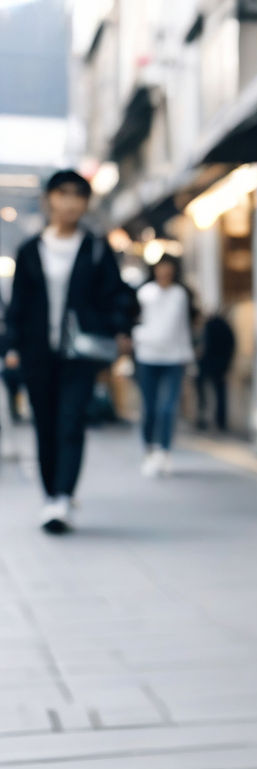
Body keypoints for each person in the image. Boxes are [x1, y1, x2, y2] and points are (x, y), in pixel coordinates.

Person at [2, 170, 134, 533]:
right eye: (63, 193)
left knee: (72, 422)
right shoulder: (30, 250)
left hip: (81, 353)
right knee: (45, 425)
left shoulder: (95, 247)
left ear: (86, 203)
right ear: (49, 200)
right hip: (36, 353)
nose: (70, 202)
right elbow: (19, 305)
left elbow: (115, 293)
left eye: (79, 195)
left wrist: (120, 327)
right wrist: (11, 345)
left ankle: (62, 496)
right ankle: (50, 496)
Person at [132, 255, 195, 476]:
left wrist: (188, 354)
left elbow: (182, 327)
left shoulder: (179, 294)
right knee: (149, 406)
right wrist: (140, 338)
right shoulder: (145, 293)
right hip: (147, 356)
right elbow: (135, 322)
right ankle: (149, 447)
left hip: (174, 357)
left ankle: (164, 450)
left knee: (168, 407)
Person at [195, 312, 235, 432]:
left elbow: (204, 347)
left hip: (206, 364)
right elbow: (231, 345)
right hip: (221, 365)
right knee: (220, 394)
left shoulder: (208, 326)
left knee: (203, 394)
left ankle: (202, 420)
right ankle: (221, 422)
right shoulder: (226, 328)